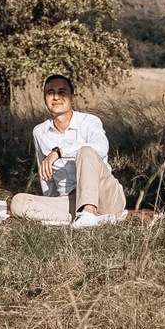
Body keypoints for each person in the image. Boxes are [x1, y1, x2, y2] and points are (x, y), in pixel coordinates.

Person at [29, 73, 126, 227]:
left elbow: (102, 147)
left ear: (72, 98)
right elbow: (46, 174)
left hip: (104, 196)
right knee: (18, 202)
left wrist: (59, 152)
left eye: (62, 92)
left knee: (86, 151)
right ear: (44, 99)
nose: (56, 97)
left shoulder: (89, 121)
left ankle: (88, 214)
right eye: (50, 93)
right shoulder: (39, 132)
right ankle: (83, 219)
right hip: (70, 200)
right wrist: (51, 201)